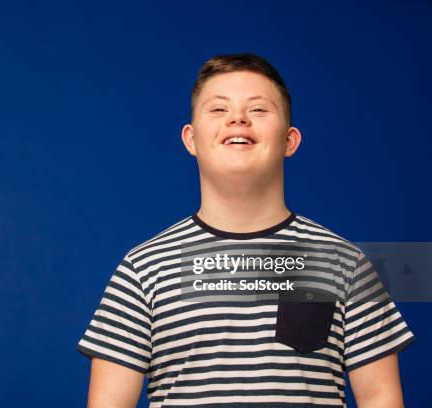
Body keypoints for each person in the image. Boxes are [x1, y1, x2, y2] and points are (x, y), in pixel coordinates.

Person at [77, 53, 415, 407]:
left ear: (290, 140)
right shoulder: (143, 269)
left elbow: (381, 398)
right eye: (219, 109)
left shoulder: (344, 264)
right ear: (191, 140)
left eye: (258, 109)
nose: (238, 118)